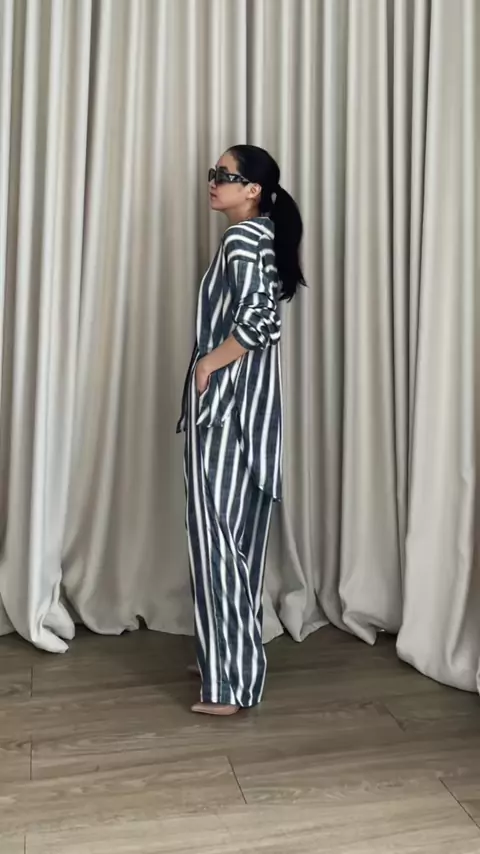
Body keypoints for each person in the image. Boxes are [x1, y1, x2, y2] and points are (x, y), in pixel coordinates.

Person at [177, 144, 305, 716]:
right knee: (238, 546)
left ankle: (229, 683)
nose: (214, 182)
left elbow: (260, 321)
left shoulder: (242, 239)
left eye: (224, 176)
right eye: (214, 174)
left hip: (226, 416)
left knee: (218, 546)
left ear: (252, 189)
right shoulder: (259, 237)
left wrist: (208, 363)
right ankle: (227, 660)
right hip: (249, 418)